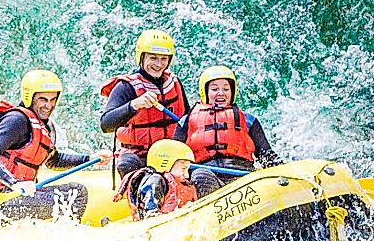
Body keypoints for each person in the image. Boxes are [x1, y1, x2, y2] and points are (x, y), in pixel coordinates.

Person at [0, 69, 93, 223]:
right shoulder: (16, 120)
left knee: (77, 191)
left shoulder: (44, 126)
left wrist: (89, 158)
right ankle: (64, 235)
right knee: (74, 196)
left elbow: (54, 161)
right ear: (29, 98)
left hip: (14, 197)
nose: (48, 106)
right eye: (43, 99)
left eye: (53, 100)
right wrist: (15, 183)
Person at [98, 29, 186, 181]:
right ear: (142, 57)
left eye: (164, 59)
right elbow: (106, 124)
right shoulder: (126, 87)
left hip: (170, 155)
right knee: (126, 164)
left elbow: (187, 120)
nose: (159, 64)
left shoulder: (174, 83)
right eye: (153, 58)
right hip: (138, 156)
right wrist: (134, 105)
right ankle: (143, 200)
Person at [176, 65, 277, 195]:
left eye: (226, 89)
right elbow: (175, 156)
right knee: (200, 176)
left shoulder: (248, 120)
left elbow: (265, 153)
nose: (221, 93)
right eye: (214, 89)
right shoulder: (186, 121)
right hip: (206, 173)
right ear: (205, 92)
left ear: (232, 92)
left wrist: (281, 168)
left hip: (242, 173)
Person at [125, 139, 198, 220]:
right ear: (165, 164)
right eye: (183, 168)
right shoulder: (155, 181)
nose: (187, 175)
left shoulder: (184, 183)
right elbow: (150, 214)